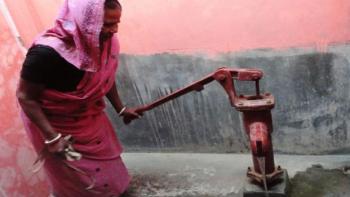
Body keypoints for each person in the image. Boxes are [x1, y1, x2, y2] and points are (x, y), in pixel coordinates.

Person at [16, 0, 141, 196]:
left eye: (117, 23)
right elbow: (25, 97)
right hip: (56, 126)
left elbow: (105, 77)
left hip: (88, 118)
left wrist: (121, 108)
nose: (114, 30)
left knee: (110, 166)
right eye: (107, 24)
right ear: (85, 22)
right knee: (78, 179)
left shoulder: (106, 42)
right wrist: (52, 138)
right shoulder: (46, 53)